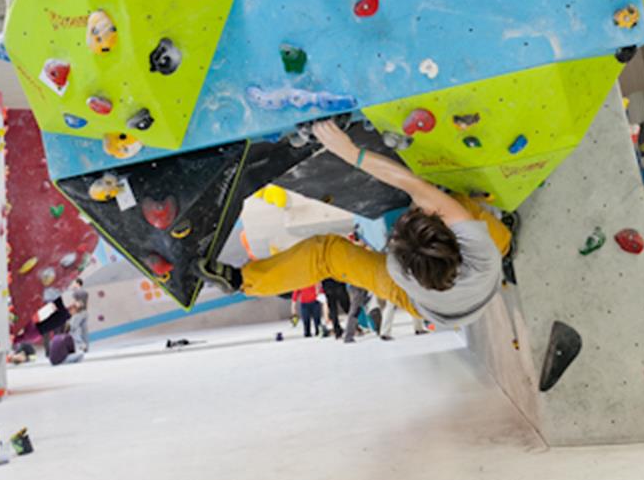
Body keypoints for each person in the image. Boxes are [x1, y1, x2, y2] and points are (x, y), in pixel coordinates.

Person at [203, 119, 512, 331]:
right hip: (456, 299)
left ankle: (243, 280)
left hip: (434, 306)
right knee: (477, 215)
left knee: (327, 255)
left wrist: (350, 152)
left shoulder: (398, 268)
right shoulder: (479, 250)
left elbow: (413, 187)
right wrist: (352, 153)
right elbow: (419, 190)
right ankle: (507, 247)